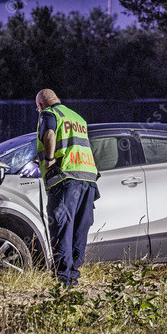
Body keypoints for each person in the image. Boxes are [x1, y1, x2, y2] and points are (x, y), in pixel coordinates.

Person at [36, 89, 99, 286]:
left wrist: (49, 159)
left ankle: (62, 279)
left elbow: (49, 133)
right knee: (80, 228)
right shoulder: (78, 118)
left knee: (62, 227)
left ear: (41, 105)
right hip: (88, 177)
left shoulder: (49, 113)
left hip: (65, 178)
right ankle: (72, 275)